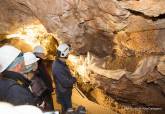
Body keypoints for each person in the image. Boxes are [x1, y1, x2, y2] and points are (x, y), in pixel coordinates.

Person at [52, 43, 77, 114]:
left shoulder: (60, 62)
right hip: (63, 93)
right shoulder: (58, 67)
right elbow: (66, 83)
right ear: (64, 54)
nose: (68, 55)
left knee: (65, 108)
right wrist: (74, 79)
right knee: (68, 109)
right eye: (68, 54)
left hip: (64, 91)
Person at [33, 45, 54, 111]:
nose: (43, 54)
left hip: (45, 90)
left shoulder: (40, 62)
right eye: (42, 53)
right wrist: (48, 89)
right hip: (44, 92)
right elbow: (41, 78)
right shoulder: (37, 63)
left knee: (49, 107)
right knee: (49, 108)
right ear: (38, 53)